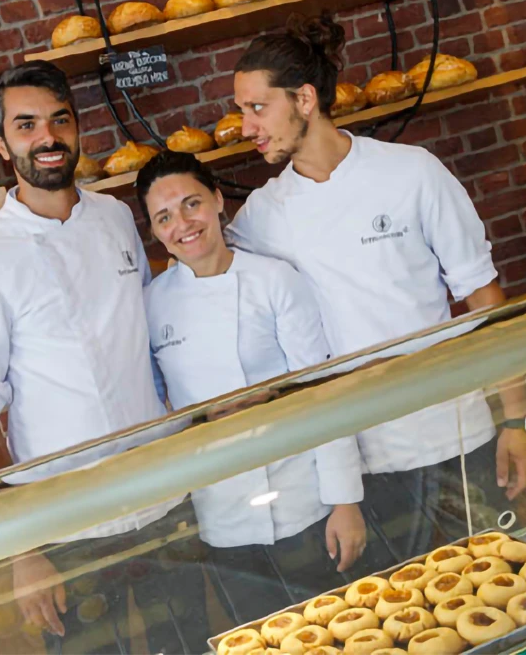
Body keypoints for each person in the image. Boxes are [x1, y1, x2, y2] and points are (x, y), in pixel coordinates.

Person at [224, 15, 526, 560]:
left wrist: (518, 418)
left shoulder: (412, 172)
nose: (247, 127)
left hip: (459, 433)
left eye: (257, 108)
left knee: (501, 592)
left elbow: (485, 301)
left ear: (303, 100)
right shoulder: (261, 218)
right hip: (364, 464)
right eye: (241, 111)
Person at [0, 61, 206, 655]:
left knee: (194, 643)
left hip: (165, 495)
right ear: (1, 142)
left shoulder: (115, 217)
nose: (47, 137)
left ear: (76, 127)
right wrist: (23, 550)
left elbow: (151, 344)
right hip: (69, 529)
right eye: (27, 124)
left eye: (59, 120)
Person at [136, 151, 393, 624]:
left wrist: (344, 501)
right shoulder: (151, 306)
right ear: (154, 231)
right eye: (164, 217)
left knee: (346, 631)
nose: (183, 225)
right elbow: (162, 409)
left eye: (192, 204)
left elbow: (324, 392)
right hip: (225, 515)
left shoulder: (275, 281)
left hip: (307, 500)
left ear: (217, 200)